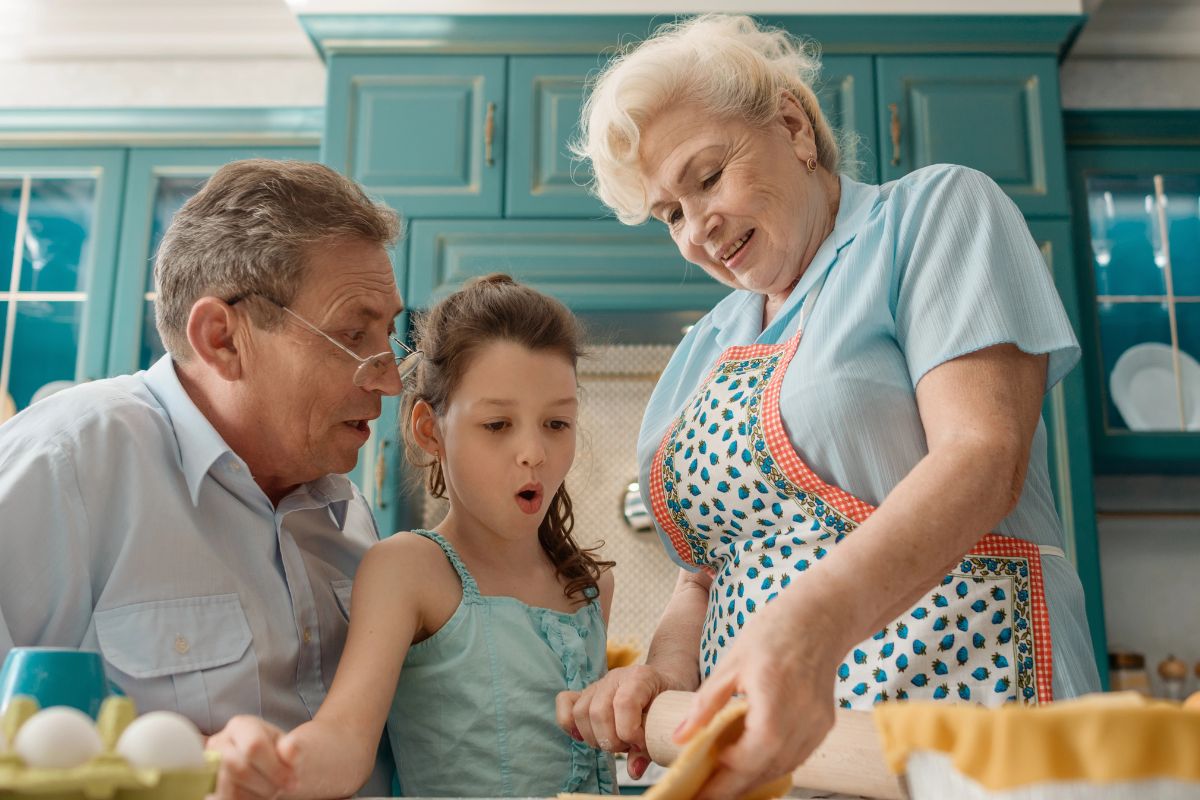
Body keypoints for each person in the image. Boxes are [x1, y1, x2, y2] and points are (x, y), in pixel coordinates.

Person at [558, 13, 1102, 800]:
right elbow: (703, 579)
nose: (696, 231)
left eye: (707, 177)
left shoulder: (930, 217)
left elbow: (983, 457)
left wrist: (804, 629)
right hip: (783, 762)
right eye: (669, 214)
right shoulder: (700, 354)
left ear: (792, 126)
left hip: (968, 719)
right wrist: (663, 675)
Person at [0, 159, 406, 800]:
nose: (389, 378)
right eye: (354, 335)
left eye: (389, 337)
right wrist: (187, 762)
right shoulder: (66, 462)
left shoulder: (348, 510)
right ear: (223, 338)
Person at [275, 274, 617, 798]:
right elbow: (344, 740)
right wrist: (271, 765)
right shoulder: (408, 569)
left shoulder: (591, 585)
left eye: (556, 423)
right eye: (497, 425)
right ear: (430, 430)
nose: (534, 453)